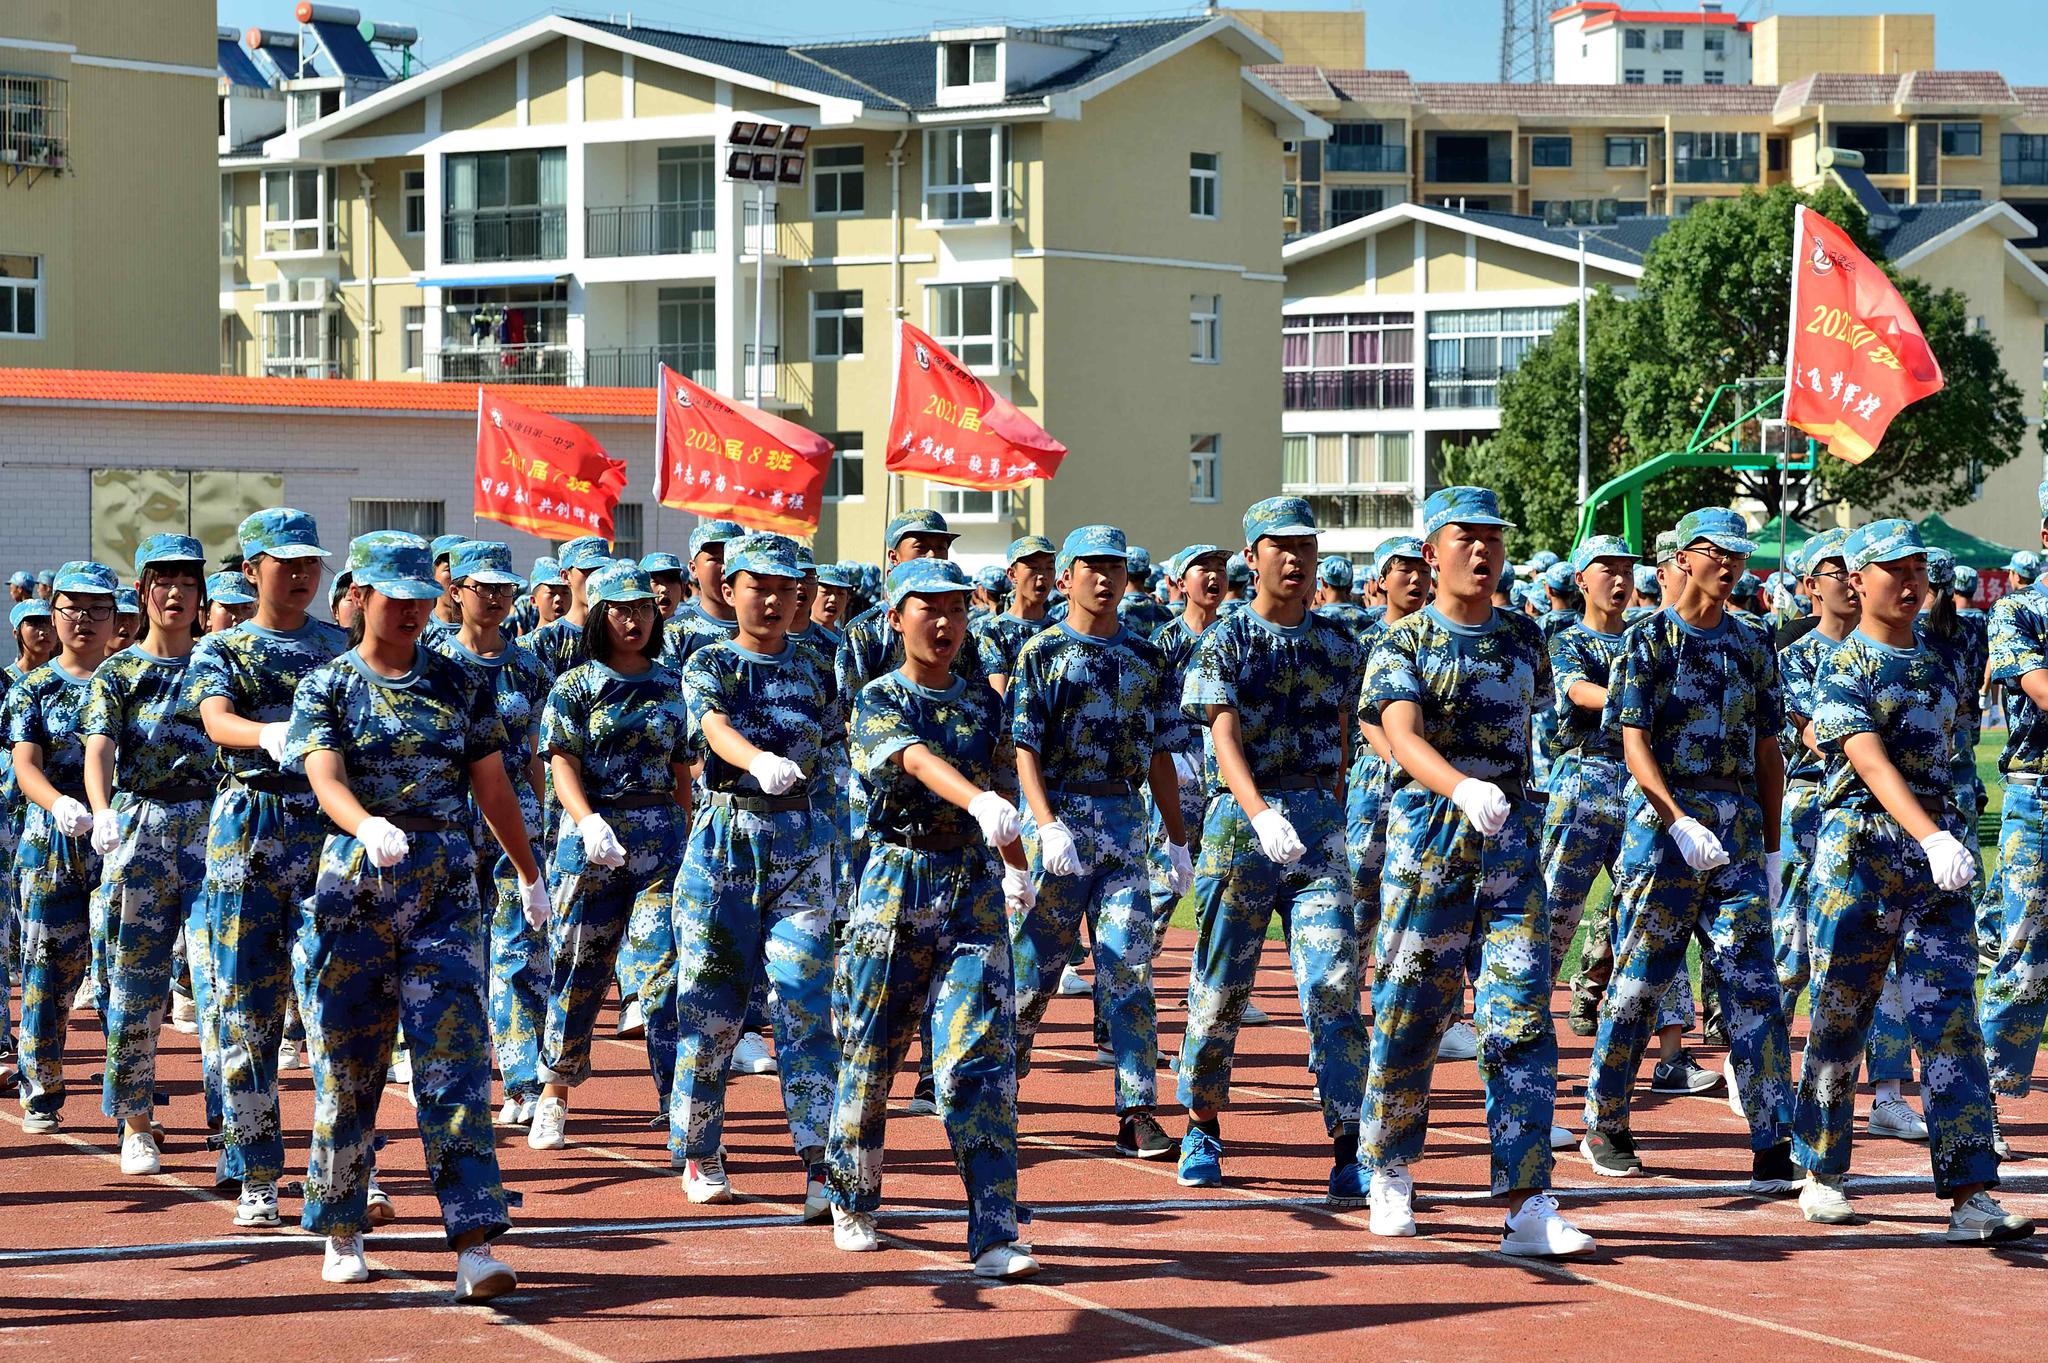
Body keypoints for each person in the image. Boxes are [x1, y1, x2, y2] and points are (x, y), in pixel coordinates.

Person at [286, 534, 545, 1295]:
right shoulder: (327, 685)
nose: (407, 612)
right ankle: (341, 1221)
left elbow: (493, 786)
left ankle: (473, 1241)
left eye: (418, 600)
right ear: (359, 595)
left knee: (456, 1064)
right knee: (349, 1063)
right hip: (355, 888)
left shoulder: (460, 684)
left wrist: (528, 871)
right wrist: (364, 822)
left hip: (442, 888)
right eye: (390, 598)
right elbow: (323, 775)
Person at [1358, 489, 1591, 1256]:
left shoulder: (1525, 637)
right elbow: (1400, 732)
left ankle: (1527, 1200)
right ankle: (1390, 1165)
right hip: (1432, 839)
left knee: (1522, 1014)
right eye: (1467, 538)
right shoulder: (1406, 640)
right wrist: (1459, 785)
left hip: (1512, 843)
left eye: (1494, 537)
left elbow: (1543, 723)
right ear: (1433, 551)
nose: (1483, 551)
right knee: (1413, 1011)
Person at [1794, 519, 2031, 1242]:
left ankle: (1970, 1190)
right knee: (1843, 1013)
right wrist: (1928, 834)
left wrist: (1954, 835)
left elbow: (1954, 753)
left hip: (1939, 868)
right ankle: (1823, 1168)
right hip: (1861, 856)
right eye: (1891, 569)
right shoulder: (1845, 664)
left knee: (1950, 1019)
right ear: (1858, 580)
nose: (1908, 581)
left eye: (1916, 568)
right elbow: (1866, 759)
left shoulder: (1946, 659)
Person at [828, 556, 1036, 1277]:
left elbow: (1005, 788)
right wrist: (975, 800)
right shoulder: (879, 697)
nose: (945, 623)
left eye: (956, 609)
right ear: (895, 617)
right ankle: (853, 1193)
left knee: (977, 1058)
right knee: (872, 1052)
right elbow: (914, 761)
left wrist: (1016, 872)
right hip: (896, 880)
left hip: (971, 885)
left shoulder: (984, 703)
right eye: (928, 608)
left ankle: (995, 1230)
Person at [1580, 507, 1797, 1193]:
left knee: (1753, 989)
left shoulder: (1754, 641)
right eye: (1716, 553)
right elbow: (1634, 741)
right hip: (1664, 832)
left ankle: (1773, 1137)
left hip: (1733, 829)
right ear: (1683, 558)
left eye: (1739, 554)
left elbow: (1769, 749)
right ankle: (1606, 1120)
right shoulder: (1646, 642)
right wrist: (1673, 816)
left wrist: (1769, 847)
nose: (1730, 566)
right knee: (1640, 984)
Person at [1175, 497, 1368, 1204]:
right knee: (1221, 988)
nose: (1295, 559)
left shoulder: (1339, 643)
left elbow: (1357, 730)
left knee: (1333, 984)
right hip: (1241, 824)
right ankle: (1202, 1121)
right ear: (1250, 556)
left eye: (1305, 546)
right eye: (1279, 546)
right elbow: (1222, 733)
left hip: (1316, 822)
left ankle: (1351, 1144)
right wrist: (1257, 811)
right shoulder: (1226, 639)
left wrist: (1343, 805)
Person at [186, 508, 350, 1225]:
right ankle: (255, 1169)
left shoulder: (340, 646)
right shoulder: (224, 648)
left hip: (325, 825)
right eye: (285, 563)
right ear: (251, 570)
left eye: (310, 562)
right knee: (247, 1008)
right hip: (249, 825)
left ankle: (344, 1167)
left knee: (337, 1007)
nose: (301, 574)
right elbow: (215, 718)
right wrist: (267, 733)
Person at [668, 532, 838, 1209]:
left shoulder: (818, 665)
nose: (771, 598)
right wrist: (754, 759)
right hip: (726, 838)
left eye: (785, 587)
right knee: (711, 1005)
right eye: (757, 585)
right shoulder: (709, 660)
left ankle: (822, 1159)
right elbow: (710, 727)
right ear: (730, 589)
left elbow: (838, 746)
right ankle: (701, 1147)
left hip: (800, 838)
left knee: (803, 999)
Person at [1008, 525, 1189, 1159]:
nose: (1105, 578)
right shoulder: (1042, 652)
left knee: (1128, 966)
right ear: (1067, 577)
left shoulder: (1146, 657)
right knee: (1033, 968)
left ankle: (1137, 1108)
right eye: (1092, 566)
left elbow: (1162, 753)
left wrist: (1176, 836)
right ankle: (998, 1076)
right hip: (1058, 817)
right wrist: (1045, 821)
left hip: (1121, 821)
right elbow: (1023, 748)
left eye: (1115, 565)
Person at [529, 560, 692, 1152]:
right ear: (599, 615)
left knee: (665, 973)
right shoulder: (576, 685)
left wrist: (688, 826)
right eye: (622, 609)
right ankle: (554, 1092)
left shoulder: (672, 685)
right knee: (579, 971)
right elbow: (561, 762)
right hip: (591, 840)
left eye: (644, 608)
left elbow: (682, 768)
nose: (635, 619)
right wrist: (586, 821)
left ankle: (680, 1105)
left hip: (659, 844)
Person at [81, 536, 212, 1174]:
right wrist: (102, 807)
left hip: (214, 822)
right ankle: (135, 1120)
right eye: (162, 582)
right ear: (142, 593)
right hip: (143, 823)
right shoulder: (120, 672)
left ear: (200, 594)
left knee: (222, 981)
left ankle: (233, 1122)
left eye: (186, 583)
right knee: (137, 980)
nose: (174, 594)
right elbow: (100, 747)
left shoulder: (218, 662)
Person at [428, 541, 553, 1128]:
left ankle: (523, 1081)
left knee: (520, 949)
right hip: (450, 811)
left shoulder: (527, 665)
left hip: (514, 813)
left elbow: (531, 750)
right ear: (457, 592)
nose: (498, 598)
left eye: (506, 588)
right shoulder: (433, 658)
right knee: (454, 952)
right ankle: (459, 1076)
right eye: (485, 588)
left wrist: (543, 815)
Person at [9, 559, 118, 1134]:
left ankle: (130, 1101)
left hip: (120, 836)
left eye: (99, 608)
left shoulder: (128, 679)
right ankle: (42, 1089)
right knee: (49, 967)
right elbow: (25, 765)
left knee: (120, 971)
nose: (85, 619)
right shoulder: (36, 687)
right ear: (54, 614)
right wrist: (59, 803)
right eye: (73, 608)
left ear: (115, 616)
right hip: (53, 837)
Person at [1980, 482, 2048, 1140]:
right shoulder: (2019, 611)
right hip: (2039, 795)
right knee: (2026, 951)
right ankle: (1986, 1101)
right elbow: (2039, 687)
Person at [970, 536, 1056, 695]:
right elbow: (1001, 697)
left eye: (1049, 568)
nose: (1043, 575)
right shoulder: (994, 632)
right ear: (1012, 574)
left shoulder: (1058, 630)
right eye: (1034, 568)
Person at [526, 536, 614, 677]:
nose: (597, 578)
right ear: (566, 576)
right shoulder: (545, 640)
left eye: (603, 570)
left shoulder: (619, 632)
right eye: (589, 571)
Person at [642, 551, 689, 622]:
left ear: (683, 588)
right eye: (656, 582)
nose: (664, 589)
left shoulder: (691, 629)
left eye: (671, 581)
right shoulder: (631, 631)